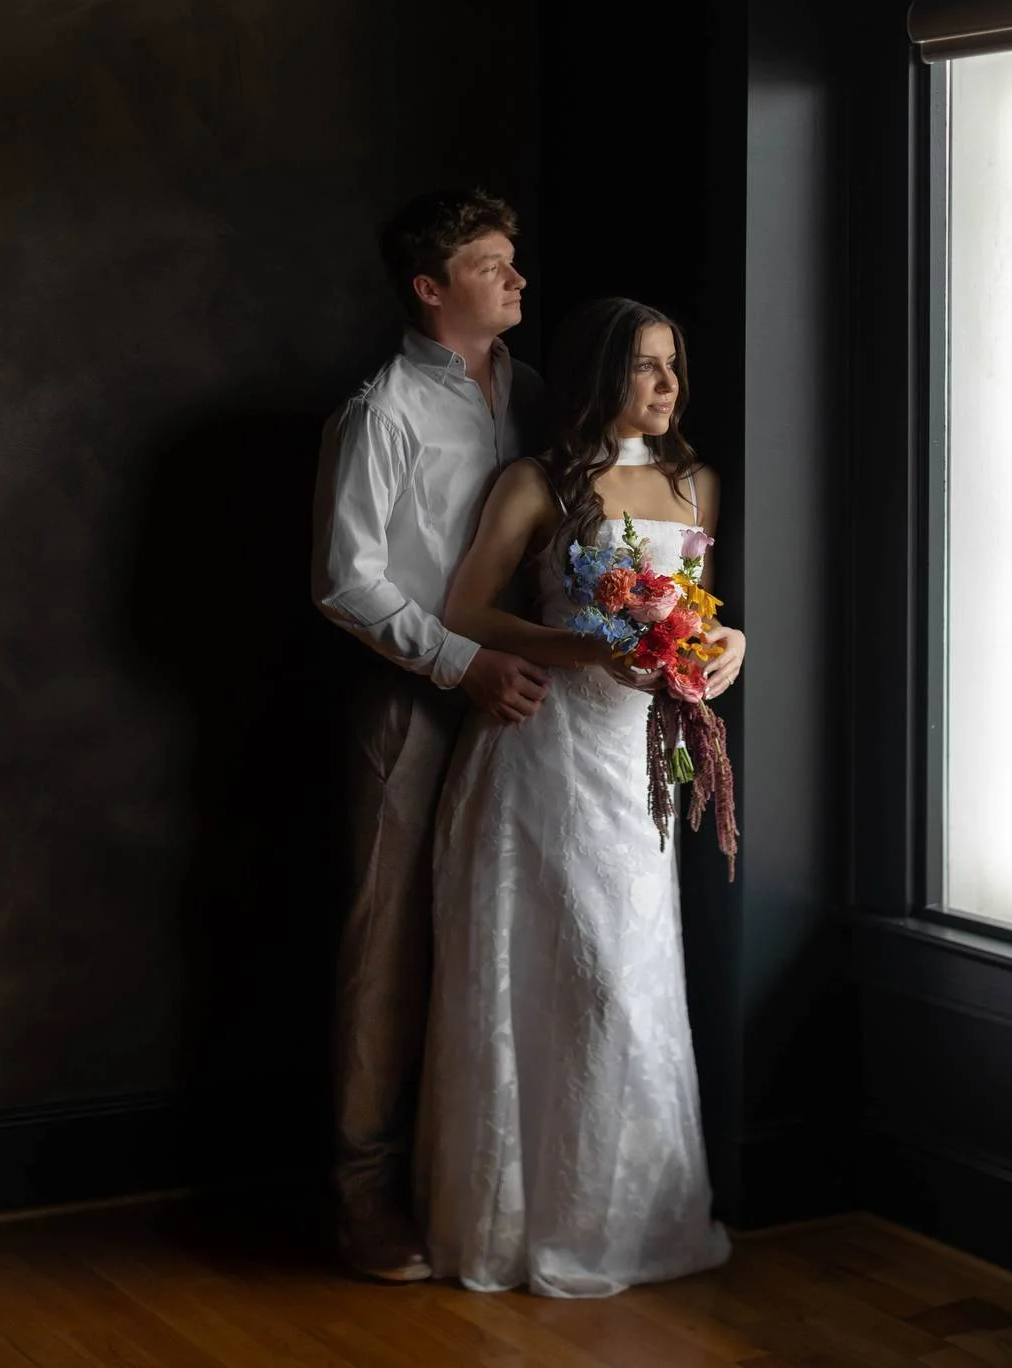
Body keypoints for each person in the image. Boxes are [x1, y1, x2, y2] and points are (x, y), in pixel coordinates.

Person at [416, 295, 746, 1298]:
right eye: (645, 367)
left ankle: (629, 1215)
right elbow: (465, 610)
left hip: (641, 757)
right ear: (599, 376)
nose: (665, 387)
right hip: (547, 751)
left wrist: (729, 644)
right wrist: (583, 647)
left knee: (632, 979)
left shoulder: (694, 483)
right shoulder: (536, 484)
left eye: (672, 368)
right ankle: (530, 1220)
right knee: (560, 973)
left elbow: (697, 612)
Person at [312, 188, 549, 1282]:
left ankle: (478, 1181)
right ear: (429, 287)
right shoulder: (380, 412)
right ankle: (363, 1196)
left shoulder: (536, 395)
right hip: (412, 705)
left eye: (512, 261)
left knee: (497, 931)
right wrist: (461, 664)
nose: (513, 278)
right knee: (388, 944)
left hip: (529, 706)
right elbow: (344, 582)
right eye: (490, 264)